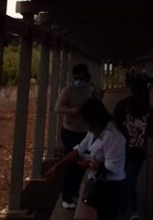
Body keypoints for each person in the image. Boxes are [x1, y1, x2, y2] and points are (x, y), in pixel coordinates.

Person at [44, 98, 126, 220]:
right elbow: (79, 150)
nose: (85, 125)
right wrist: (58, 166)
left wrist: (88, 164)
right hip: (96, 183)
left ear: (95, 119)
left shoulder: (113, 137)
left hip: (110, 187)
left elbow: (113, 168)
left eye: (86, 121)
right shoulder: (94, 131)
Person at [55, 63, 100, 209]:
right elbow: (58, 108)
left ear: (86, 77)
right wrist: (75, 111)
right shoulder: (68, 90)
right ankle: (66, 197)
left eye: (81, 77)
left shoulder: (88, 90)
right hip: (70, 131)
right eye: (76, 78)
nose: (79, 80)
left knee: (80, 165)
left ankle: (74, 192)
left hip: (84, 132)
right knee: (70, 164)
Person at [113, 72, 153, 220]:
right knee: (130, 179)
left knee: (124, 178)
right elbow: (151, 131)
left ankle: (125, 210)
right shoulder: (148, 110)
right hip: (139, 151)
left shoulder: (121, 106)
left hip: (122, 150)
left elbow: (115, 126)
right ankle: (130, 211)